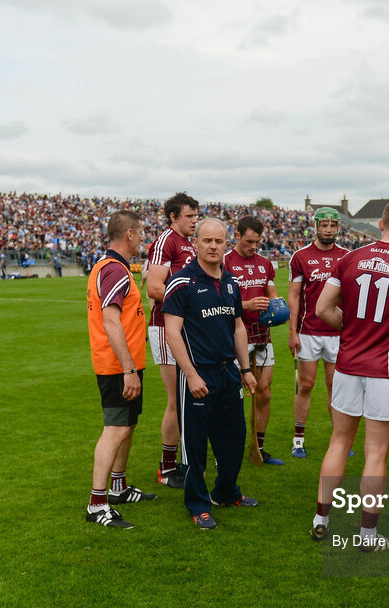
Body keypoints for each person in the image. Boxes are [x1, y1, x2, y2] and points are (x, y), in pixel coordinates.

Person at [309, 199, 389, 547]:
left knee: (339, 442)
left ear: (380, 224)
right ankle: (367, 534)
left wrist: (348, 326)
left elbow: (322, 308)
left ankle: (321, 518)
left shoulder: (349, 258)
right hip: (386, 370)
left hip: (348, 365)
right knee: (375, 453)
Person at [161, 218, 259, 530]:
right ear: (197, 243)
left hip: (228, 373)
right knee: (195, 444)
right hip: (197, 376)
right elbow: (172, 333)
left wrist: (245, 369)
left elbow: (238, 327)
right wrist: (190, 374)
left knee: (234, 437)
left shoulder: (230, 282)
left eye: (218, 241)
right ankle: (198, 505)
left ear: (226, 243)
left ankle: (226, 492)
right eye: (207, 241)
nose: (213, 246)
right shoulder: (182, 282)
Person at [85, 209, 157, 530]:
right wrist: (128, 369)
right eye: (140, 232)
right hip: (117, 366)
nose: (142, 237)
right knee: (115, 429)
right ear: (129, 234)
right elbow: (110, 320)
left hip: (124, 364)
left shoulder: (114, 268)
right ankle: (97, 504)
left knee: (127, 425)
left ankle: (118, 487)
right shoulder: (114, 270)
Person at [144, 192, 200, 489]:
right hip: (165, 326)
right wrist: (192, 303)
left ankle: (180, 460)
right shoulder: (167, 240)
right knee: (176, 400)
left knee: (187, 398)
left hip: (184, 328)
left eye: (196, 216)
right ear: (173, 217)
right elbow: (154, 287)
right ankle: (166, 468)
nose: (195, 221)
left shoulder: (188, 243)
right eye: (189, 216)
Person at [288, 207, 350, 458]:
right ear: (316, 226)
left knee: (335, 387)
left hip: (337, 332)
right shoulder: (300, 256)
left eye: (332, 225)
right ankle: (298, 439)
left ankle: (339, 440)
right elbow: (293, 296)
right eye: (323, 225)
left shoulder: (347, 256)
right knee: (305, 385)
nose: (327, 230)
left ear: (337, 227)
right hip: (309, 331)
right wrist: (292, 331)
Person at [223, 215, 283, 465]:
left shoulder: (265, 263)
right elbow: (217, 300)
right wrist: (245, 304)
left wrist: (276, 308)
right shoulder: (224, 261)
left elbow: (272, 295)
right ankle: (226, 449)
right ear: (237, 236)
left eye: (257, 242)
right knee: (230, 396)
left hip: (262, 335)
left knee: (264, 393)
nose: (254, 246)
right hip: (234, 334)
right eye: (249, 241)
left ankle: (258, 448)